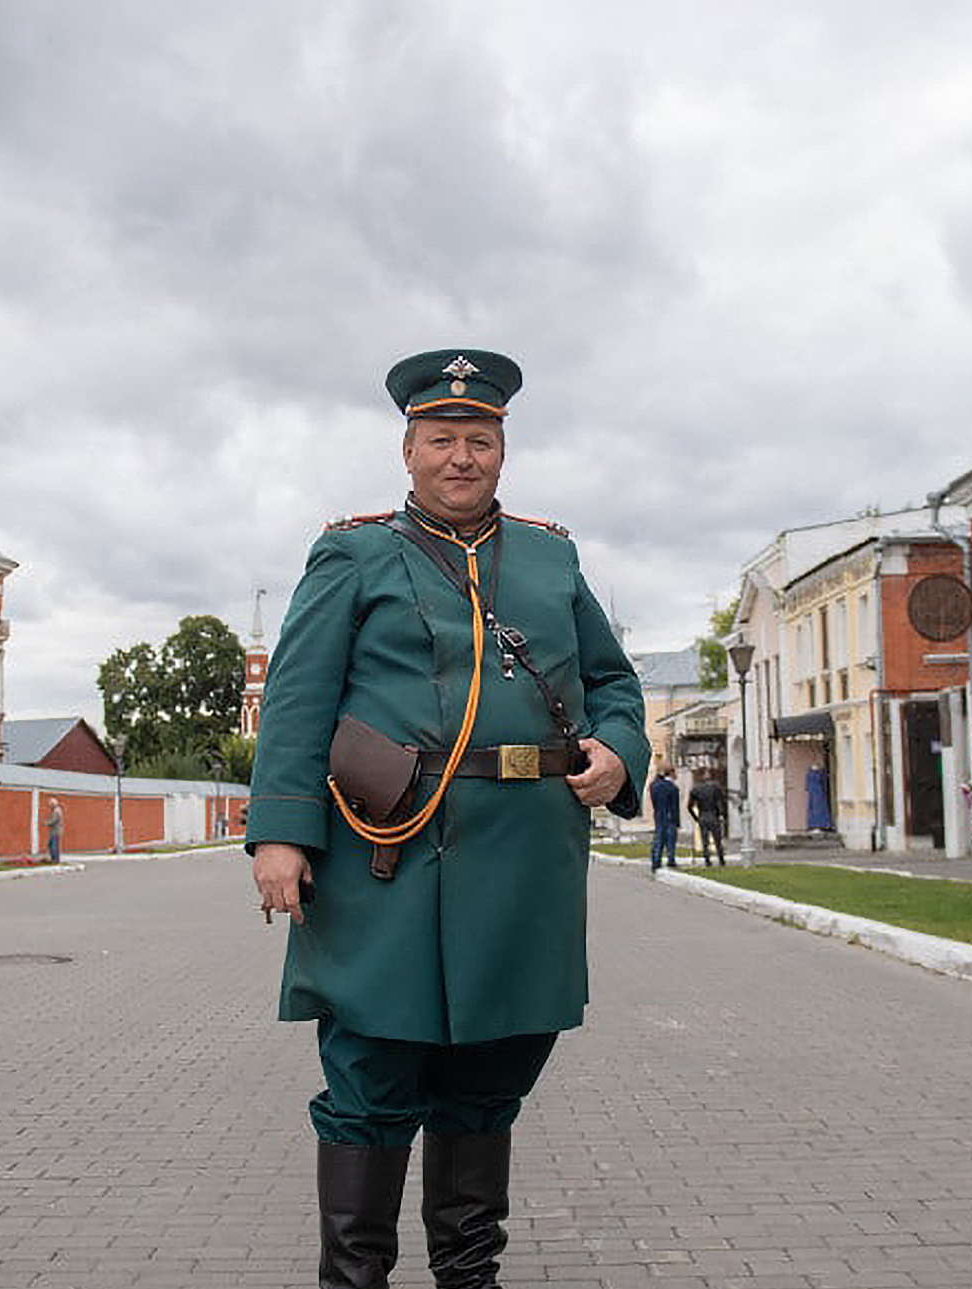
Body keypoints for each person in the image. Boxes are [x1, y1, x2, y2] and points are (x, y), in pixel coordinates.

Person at [248, 348, 647, 1289]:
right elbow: (298, 701)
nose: (460, 456)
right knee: (371, 1085)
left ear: (502, 449)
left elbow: (612, 681)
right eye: (442, 439)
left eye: (479, 438)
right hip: (383, 860)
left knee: (488, 1086)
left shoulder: (552, 557)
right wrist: (279, 833)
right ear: (409, 449)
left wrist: (620, 748)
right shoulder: (353, 553)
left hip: (524, 864)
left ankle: (471, 1279)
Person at [687, 768, 727, 867]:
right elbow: (721, 802)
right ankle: (721, 858)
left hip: (703, 815)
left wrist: (696, 817)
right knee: (717, 839)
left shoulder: (696, 789)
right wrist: (722, 814)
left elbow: (689, 806)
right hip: (713, 815)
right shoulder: (715, 788)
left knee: (705, 839)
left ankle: (707, 859)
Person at [648, 766, 680, 872]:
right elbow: (675, 806)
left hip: (658, 814)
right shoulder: (672, 788)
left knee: (658, 838)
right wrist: (677, 821)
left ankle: (656, 860)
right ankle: (671, 859)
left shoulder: (654, 786)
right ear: (671, 774)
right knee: (670, 839)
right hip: (670, 816)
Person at [43, 798, 64, 864]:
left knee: (53, 845)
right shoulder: (57, 810)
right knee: (53, 845)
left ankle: (54, 859)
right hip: (55, 831)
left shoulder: (56, 811)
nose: (49, 806)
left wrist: (47, 823)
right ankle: (55, 859)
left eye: (50, 804)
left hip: (55, 831)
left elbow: (54, 820)